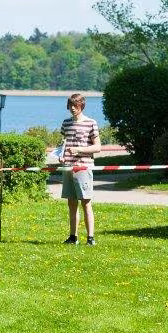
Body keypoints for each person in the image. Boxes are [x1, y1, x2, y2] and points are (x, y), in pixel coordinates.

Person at [59, 93, 102, 245]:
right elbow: (63, 144)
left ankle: (90, 238)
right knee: (71, 202)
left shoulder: (91, 123)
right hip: (68, 167)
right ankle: (73, 237)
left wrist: (79, 150)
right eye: (70, 105)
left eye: (75, 106)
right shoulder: (66, 123)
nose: (72, 108)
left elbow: (97, 147)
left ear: (81, 106)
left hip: (83, 167)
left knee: (86, 202)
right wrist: (61, 155)